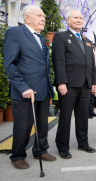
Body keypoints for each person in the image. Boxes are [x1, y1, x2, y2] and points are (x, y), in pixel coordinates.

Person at [3, 5, 56, 169]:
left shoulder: (40, 37)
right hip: (24, 91)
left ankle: (40, 150)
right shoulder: (15, 33)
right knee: (23, 125)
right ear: (27, 18)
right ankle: (17, 155)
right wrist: (23, 87)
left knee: (42, 123)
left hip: (42, 89)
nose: (43, 19)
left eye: (44, 16)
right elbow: (10, 64)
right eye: (39, 16)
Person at [52, 9, 96, 158]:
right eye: (75, 17)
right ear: (68, 20)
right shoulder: (61, 37)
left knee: (83, 115)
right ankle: (63, 146)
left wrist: (94, 82)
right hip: (68, 85)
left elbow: (91, 63)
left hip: (85, 84)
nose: (79, 20)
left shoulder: (86, 40)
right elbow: (58, 61)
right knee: (65, 116)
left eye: (80, 18)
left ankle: (83, 143)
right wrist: (61, 82)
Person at [88, 44, 96, 119]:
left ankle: (90, 111)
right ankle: (88, 112)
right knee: (89, 98)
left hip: (93, 80)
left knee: (92, 99)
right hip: (90, 79)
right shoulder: (91, 56)